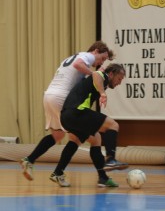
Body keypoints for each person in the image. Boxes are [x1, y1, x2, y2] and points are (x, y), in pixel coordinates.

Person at [20, 41, 127, 181]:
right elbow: (80, 66)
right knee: (92, 138)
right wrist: (97, 80)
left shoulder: (70, 58)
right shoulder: (87, 57)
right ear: (95, 51)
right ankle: (104, 172)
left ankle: (31, 160)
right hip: (62, 98)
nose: (100, 63)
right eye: (101, 58)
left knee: (59, 136)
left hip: (49, 95)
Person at [50, 63, 125, 187]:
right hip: (77, 112)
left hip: (66, 117)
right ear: (111, 74)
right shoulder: (103, 75)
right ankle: (111, 159)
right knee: (113, 125)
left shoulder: (103, 81)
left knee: (93, 139)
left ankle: (59, 172)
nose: (119, 83)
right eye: (119, 79)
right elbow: (96, 74)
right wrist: (102, 93)